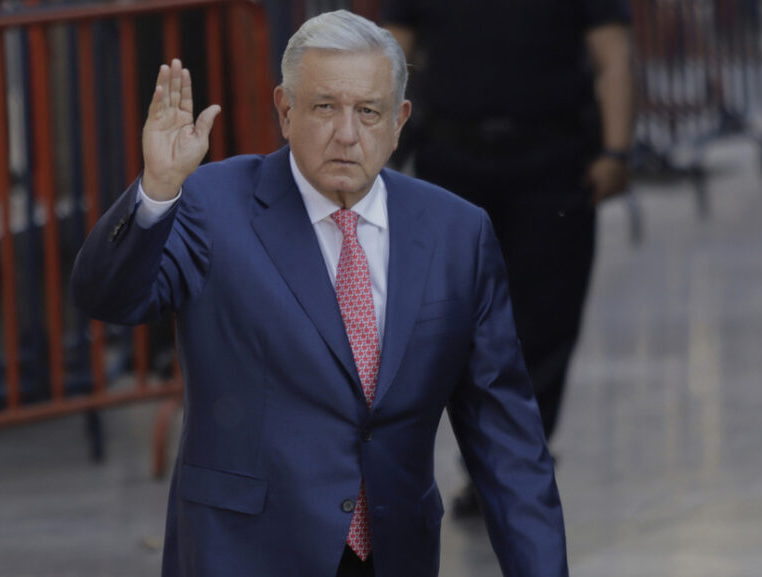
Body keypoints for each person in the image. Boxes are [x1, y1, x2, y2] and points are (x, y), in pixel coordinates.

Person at [71, 10, 566, 577]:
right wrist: (157, 191)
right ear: (285, 110)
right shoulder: (213, 205)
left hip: (393, 553)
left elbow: (508, 445)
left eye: (369, 112)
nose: (347, 134)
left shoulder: (457, 233)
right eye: (325, 107)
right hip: (243, 553)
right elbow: (107, 299)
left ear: (400, 120)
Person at [382, 1, 634, 516]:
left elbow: (614, 56)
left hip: (553, 159)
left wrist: (617, 151)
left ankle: (512, 468)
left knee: (546, 319)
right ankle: (478, 460)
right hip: (450, 160)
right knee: (449, 322)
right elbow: (391, 56)